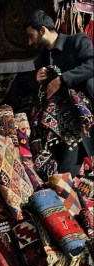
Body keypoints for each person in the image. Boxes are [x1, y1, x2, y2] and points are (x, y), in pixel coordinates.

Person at [26, 8, 94, 172]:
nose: (29, 42)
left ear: (42, 30)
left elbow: (92, 65)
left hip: (83, 122)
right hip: (56, 131)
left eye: (31, 36)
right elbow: (42, 95)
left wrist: (62, 79)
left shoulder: (77, 41)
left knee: (71, 175)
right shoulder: (41, 59)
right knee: (60, 175)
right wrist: (39, 81)